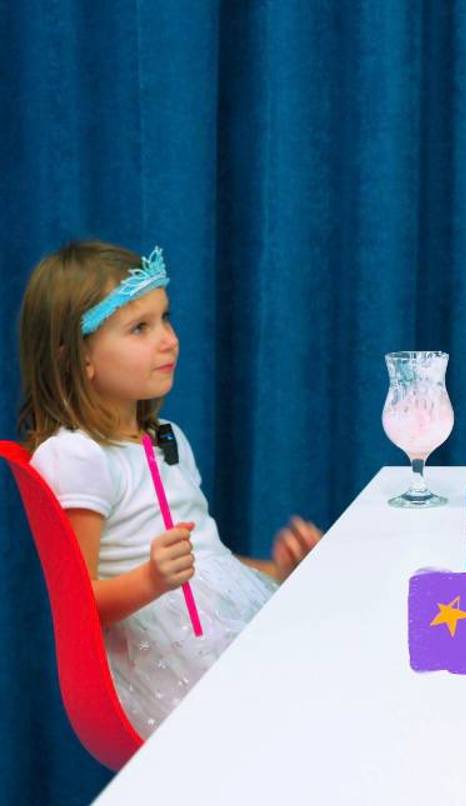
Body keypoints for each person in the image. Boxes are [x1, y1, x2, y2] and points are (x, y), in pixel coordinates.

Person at [18, 240, 324, 737]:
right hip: (173, 666)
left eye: (165, 318)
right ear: (78, 359)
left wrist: (278, 572)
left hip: (218, 635)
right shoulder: (78, 456)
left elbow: (207, 564)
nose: (169, 340)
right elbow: (78, 603)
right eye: (140, 328)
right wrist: (151, 580)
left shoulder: (167, 439)